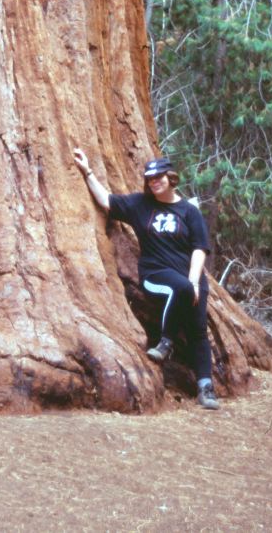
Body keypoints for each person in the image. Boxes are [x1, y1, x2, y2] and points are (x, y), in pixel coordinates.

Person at [72, 148, 220, 410]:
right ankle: (166, 342)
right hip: (155, 275)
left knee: (198, 331)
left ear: (171, 178)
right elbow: (107, 201)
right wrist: (88, 171)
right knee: (180, 289)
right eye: (150, 179)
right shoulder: (141, 205)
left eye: (159, 178)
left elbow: (200, 249)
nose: (155, 182)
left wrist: (196, 282)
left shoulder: (189, 211)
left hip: (191, 278)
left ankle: (205, 387)